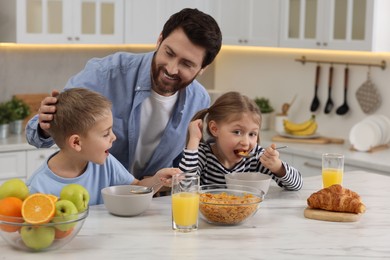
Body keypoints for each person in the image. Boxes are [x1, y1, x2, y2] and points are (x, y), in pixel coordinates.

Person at [25, 8, 222, 180]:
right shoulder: (105, 74)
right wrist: (45, 126)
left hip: (150, 201)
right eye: (169, 53)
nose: (171, 69)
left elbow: (187, 158)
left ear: (203, 68)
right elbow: (38, 136)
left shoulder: (199, 100)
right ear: (159, 40)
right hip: (94, 200)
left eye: (186, 64)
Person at [26, 88, 181, 205]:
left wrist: (157, 179)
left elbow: (136, 189)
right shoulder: (38, 187)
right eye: (106, 133)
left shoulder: (106, 163)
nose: (114, 137)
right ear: (76, 143)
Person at [178, 91, 303, 191]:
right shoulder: (203, 155)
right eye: (237, 132)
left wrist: (278, 167)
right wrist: (193, 140)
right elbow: (184, 188)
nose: (246, 142)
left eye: (252, 134)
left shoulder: (255, 157)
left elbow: (297, 184)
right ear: (215, 129)